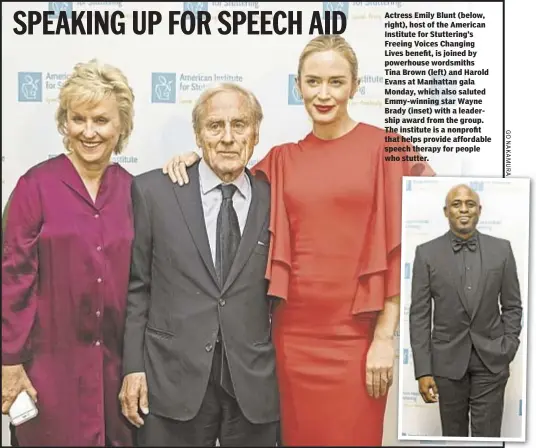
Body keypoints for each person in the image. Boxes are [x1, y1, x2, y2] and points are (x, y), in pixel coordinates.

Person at [162, 34, 435, 446]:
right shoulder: (281, 160)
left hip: (358, 342)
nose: (323, 94)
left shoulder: (388, 148)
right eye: (313, 82)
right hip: (291, 341)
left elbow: (405, 245)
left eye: (336, 82)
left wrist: (384, 337)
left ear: (355, 86)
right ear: (298, 87)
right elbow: (228, 173)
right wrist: (193, 159)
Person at [118, 82, 279, 447]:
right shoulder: (153, 192)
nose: (226, 137)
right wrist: (133, 367)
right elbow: (136, 288)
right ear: (197, 135)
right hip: (171, 381)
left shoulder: (275, 198)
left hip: (251, 386)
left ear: (255, 134)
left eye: (239, 125)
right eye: (214, 126)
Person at [1, 59, 136, 446]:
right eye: (78, 119)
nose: (89, 132)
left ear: (121, 126)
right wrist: (9, 363)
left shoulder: (134, 191)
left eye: (101, 120)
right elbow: (13, 279)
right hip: (47, 373)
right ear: (65, 123)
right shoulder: (34, 187)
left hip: (115, 376)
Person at [409, 183, 522, 438]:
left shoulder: (502, 250)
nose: (464, 209)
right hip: (447, 362)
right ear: (446, 211)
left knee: (488, 438)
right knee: (454, 437)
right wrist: (424, 370)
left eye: (470, 204)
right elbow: (419, 314)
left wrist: (509, 345)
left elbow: (513, 305)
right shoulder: (426, 253)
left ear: (479, 210)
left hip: (491, 360)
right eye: (456, 204)